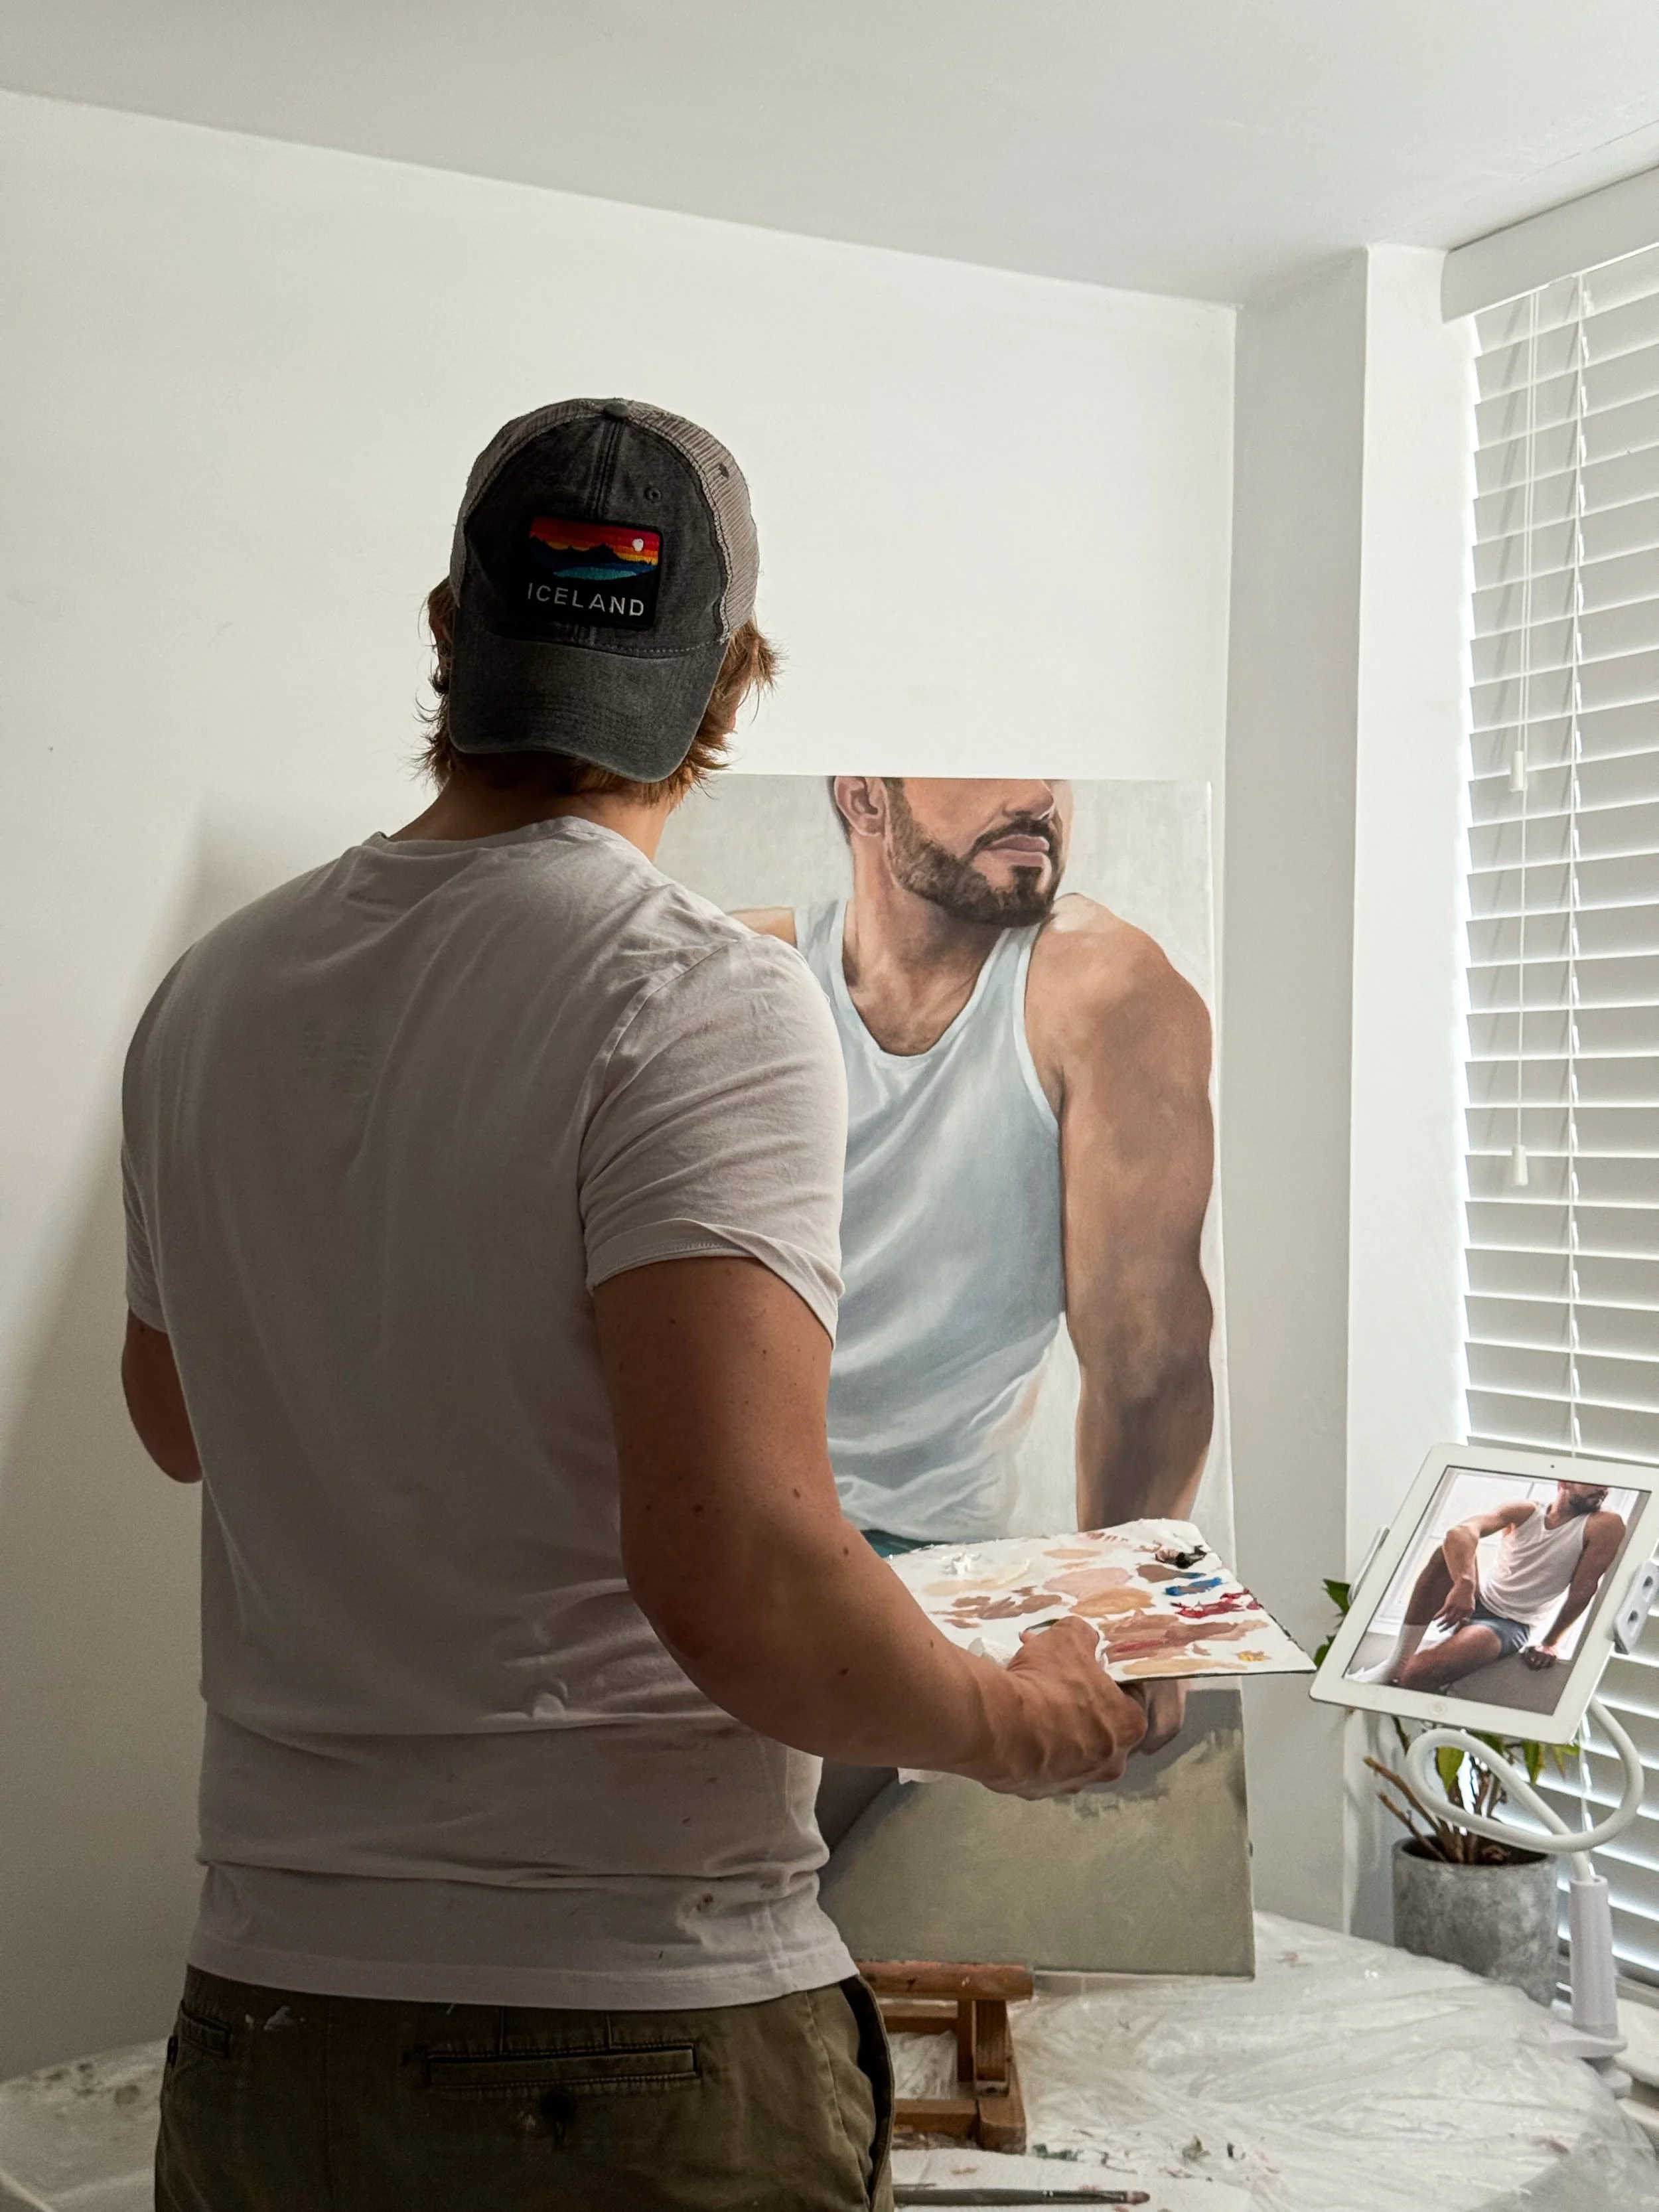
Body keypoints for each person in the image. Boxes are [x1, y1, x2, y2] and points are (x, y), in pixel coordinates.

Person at [119, 400, 1150, 2212]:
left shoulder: (213, 993)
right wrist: (1015, 1716)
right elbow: (741, 1575)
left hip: (266, 2028)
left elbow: (178, 1415)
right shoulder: (698, 995)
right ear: (732, 679)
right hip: (607, 2036)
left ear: (450, 627)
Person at [738, 776, 1214, 1550]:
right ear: (865, 801)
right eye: (981, 758)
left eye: (1048, 760)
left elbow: (1150, 1369)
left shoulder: (1102, 991)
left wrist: (1131, 1641)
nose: (1036, 795)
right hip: (713, 1543)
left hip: (942, 1565)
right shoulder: (741, 972)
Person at [1359, 1480, 1626, 1692]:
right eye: (1595, 1482)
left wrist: (1551, 1642)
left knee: (1416, 1674)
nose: (1604, 1489)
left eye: (1607, 1485)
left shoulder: (1605, 1524)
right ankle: (1397, 1661)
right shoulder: (1525, 1512)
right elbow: (1461, 1532)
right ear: (1565, 1481)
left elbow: (1583, 1589)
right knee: (1449, 1549)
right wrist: (1464, 1585)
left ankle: (1422, 1685)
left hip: (1511, 1624)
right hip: (1478, 1599)